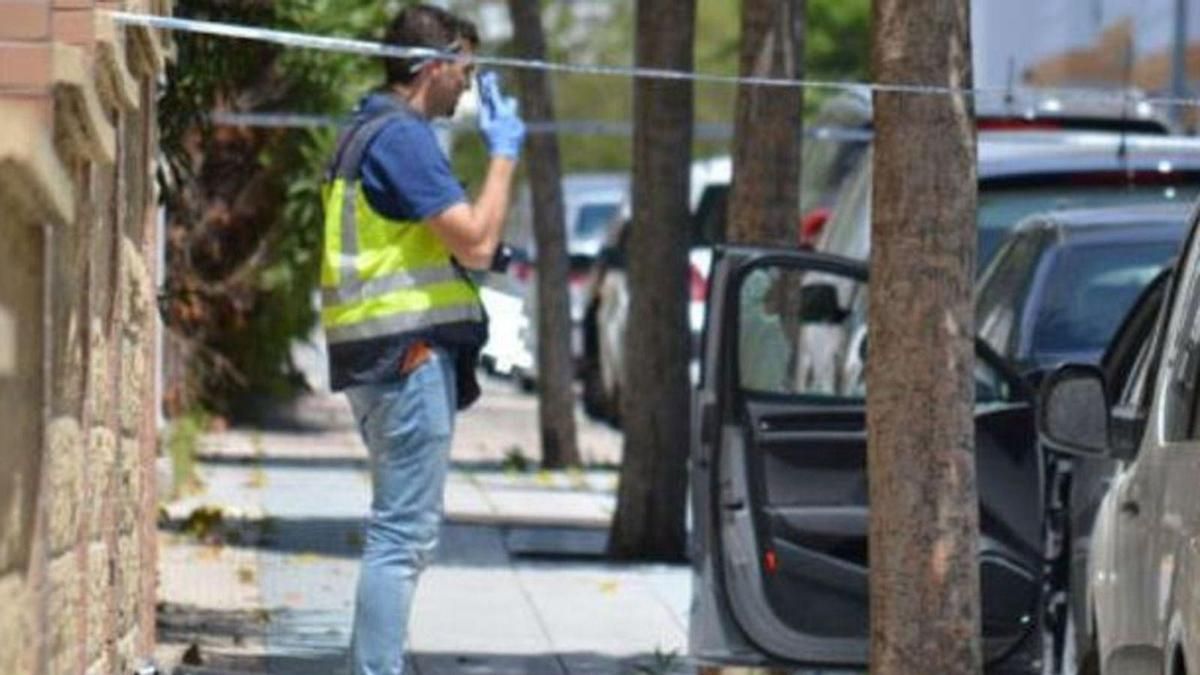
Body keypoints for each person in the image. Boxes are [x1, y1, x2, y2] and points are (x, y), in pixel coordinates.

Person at [318, 5, 526, 673]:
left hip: (378, 358)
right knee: (402, 537)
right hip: (406, 358)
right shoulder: (402, 139)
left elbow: (453, 245)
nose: (469, 86)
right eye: (465, 68)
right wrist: (504, 155)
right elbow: (476, 241)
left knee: (397, 533)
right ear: (433, 67)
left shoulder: (365, 130)